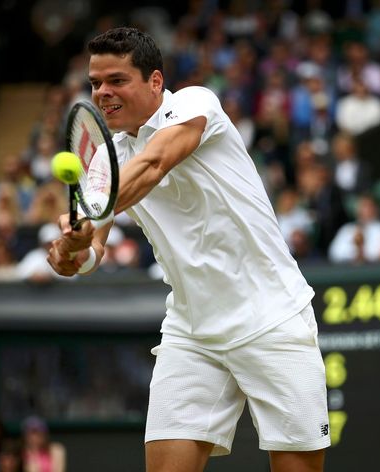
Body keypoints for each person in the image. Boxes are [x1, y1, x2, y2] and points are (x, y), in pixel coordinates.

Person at [47, 27, 329, 472]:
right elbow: (91, 252)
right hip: (192, 331)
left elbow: (155, 163)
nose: (102, 92)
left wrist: (92, 209)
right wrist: (72, 253)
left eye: (117, 80)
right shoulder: (103, 160)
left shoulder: (196, 103)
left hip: (272, 317)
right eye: (95, 83)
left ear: (155, 81)